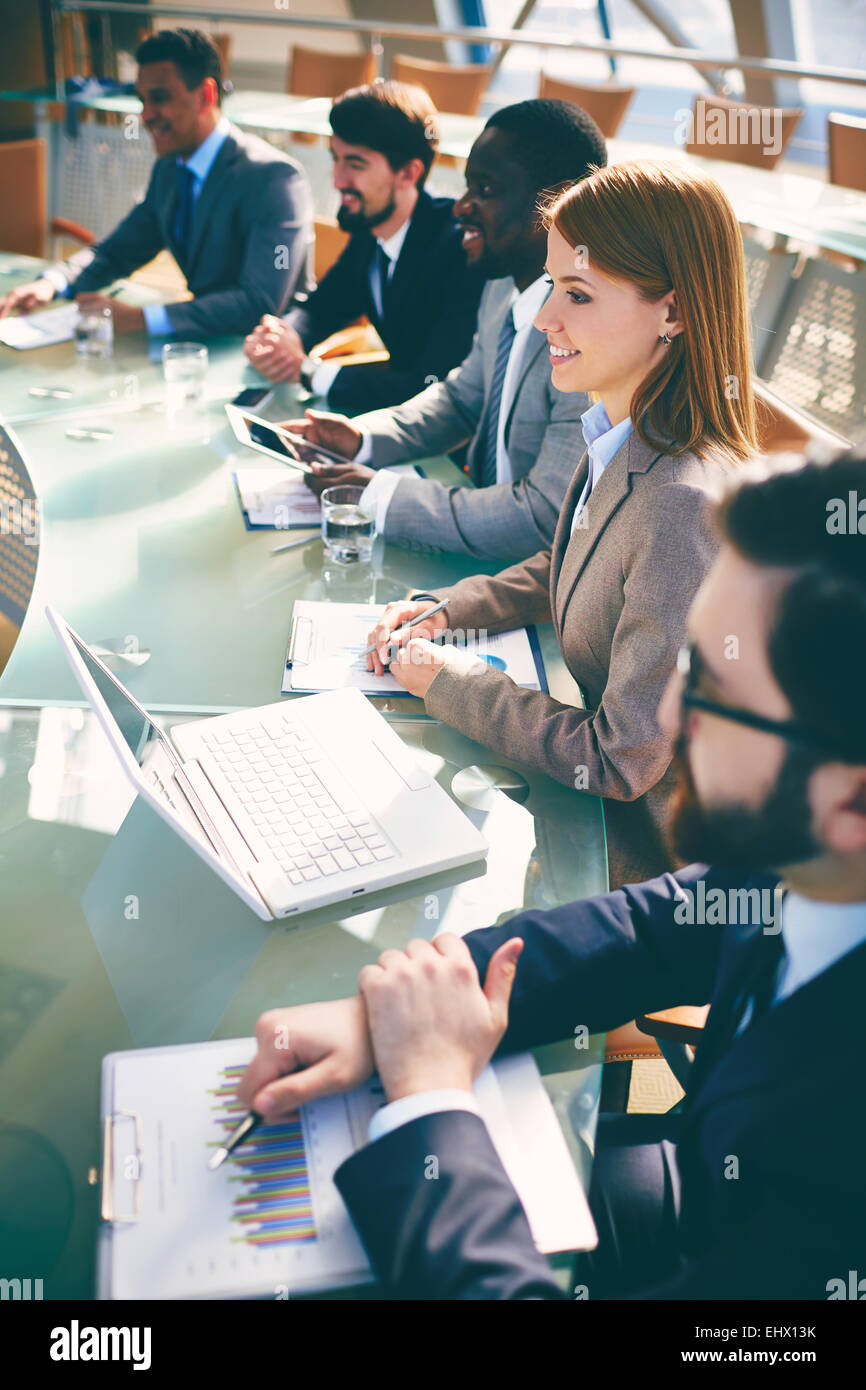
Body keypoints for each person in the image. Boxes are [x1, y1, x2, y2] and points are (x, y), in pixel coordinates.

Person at [238, 453, 866, 1300]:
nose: (672, 718)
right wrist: (410, 1009)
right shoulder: (809, 855)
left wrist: (429, 1103)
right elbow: (652, 927)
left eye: (713, 692)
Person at [364, 161, 759, 886]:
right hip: (575, 826)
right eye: (552, 285)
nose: (546, 317)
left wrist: (445, 680)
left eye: (576, 294)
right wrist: (449, 609)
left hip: (643, 879)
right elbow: (576, 564)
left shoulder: (682, 505)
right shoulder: (622, 430)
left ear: (672, 313)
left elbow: (616, 760)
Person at [279, 99, 608, 561]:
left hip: (537, 579)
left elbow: (542, 517)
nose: (462, 207)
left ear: (563, 200)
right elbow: (460, 399)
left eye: (485, 189)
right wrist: (361, 439)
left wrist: (382, 497)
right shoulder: (501, 288)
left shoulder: (591, 336)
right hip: (476, 549)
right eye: (467, 186)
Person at [0, 29, 314, 337]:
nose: (146, 115)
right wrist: (52, 282)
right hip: (204, 343)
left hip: (271, 356)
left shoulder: (275, 179)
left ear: (206, 94)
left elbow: (258, 303)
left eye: (160, 98)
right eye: (142, 100)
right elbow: (117, 252)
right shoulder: (170, 168)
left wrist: (140, 319)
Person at [243, 81, 483, 414]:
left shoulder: (460, 251)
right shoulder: (371, 231)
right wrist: (281, 338)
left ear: (408, 173)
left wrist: (309, 371)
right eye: (336, 159)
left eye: (355, 165)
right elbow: (321, 308)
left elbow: (430, 385)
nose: (338, 180)